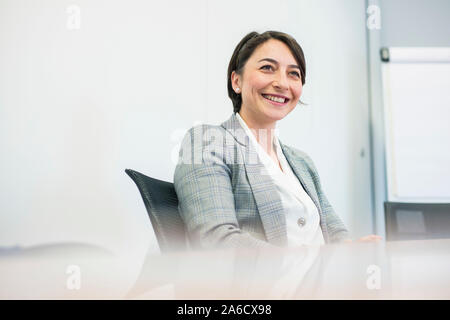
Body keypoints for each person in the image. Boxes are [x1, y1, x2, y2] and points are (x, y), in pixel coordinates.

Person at [174, 31, 381, 250]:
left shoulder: (301, 162)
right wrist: (309, 260)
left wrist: (353, 251)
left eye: (294, 74)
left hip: (324, 281)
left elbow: (336, 233)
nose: (282, 83)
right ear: (237, 80)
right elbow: (218, 241)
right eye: (267, 68)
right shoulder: (208, 143)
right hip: (264, 283)